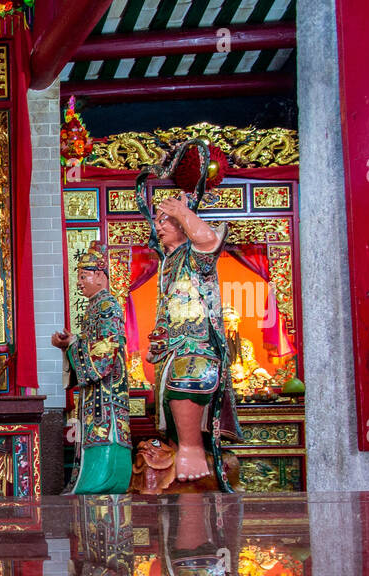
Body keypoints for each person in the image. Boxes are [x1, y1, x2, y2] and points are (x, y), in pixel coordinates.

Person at [142, 191, 240, 487]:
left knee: (187, 377)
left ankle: (193, 447)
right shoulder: (168, 262)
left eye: (165, 221)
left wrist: (184, 212)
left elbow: (209, 241)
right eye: (157, 222)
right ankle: (178, 444)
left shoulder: (193, 253)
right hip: (172, 345)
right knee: (165, 396)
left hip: (196, 342)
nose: (158, 227)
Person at [53, 241, 131, 494]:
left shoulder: (107, 306)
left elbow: (104, 353)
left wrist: (73, 345)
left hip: (106, 390)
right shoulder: (96, 306)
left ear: (100, 276)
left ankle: (102, 481)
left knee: (105, 430)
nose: (79, 283)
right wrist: (72, 343)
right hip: (98, 389)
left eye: (84, 276)